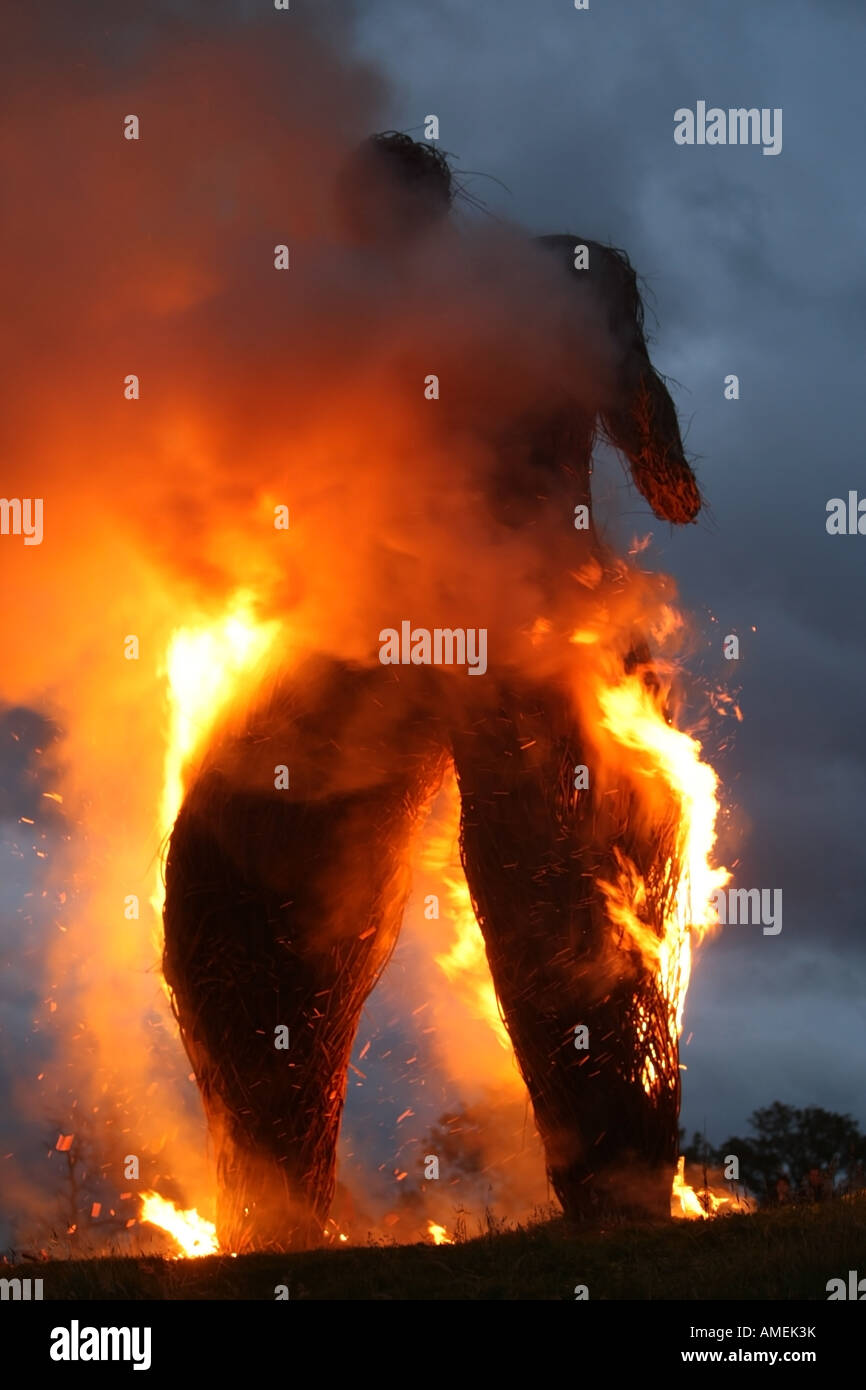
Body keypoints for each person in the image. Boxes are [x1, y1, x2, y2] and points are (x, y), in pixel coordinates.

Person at [163, 133, 703, 1248]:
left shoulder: (545, 285)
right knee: (236, 863)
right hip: (379, 634)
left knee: (563, 899)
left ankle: (616, 1201)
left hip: (521, 634)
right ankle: (271, 1216)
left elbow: (662, 466)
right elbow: (669, 478)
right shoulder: (500, 292)